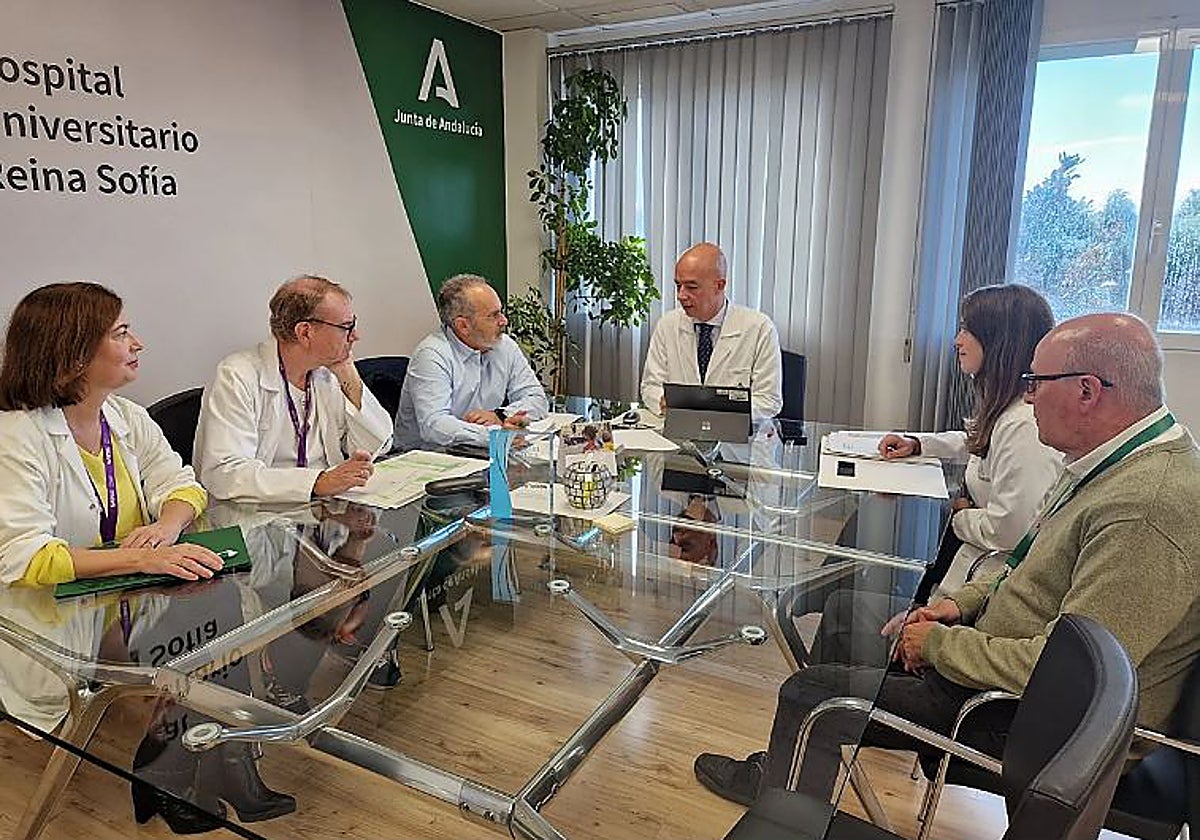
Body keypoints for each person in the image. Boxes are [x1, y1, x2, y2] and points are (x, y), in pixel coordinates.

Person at [694, 312, 1200, 807]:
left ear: (1087, 392)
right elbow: (1029, 566)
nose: (1029, 397)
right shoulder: (1107, 461)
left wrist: (940, 645)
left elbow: (1070, 677)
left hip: (1037, 723)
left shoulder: (1146, 510)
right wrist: (955, 606)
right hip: (1000, 660)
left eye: (1037, 383)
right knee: (846, 614)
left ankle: (788, 797)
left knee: (811, 696)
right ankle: (802, 777)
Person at [0, 283, 222, 586]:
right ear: (74, 355)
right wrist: (144, 559)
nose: (137, 343)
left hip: (127, 611)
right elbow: (25, 556)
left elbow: (181, 485)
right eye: (121, 334)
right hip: (51, 619)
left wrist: (166, 528)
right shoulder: (15, 437)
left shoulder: (126, 415)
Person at [879, 284, 1061, 598]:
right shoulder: (1010, 409)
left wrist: (960, 514)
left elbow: (1011, 530)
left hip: (988, 584)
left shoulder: (1025, 427)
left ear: (998, 341)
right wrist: (920, 444)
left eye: (966, 329)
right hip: (970, 561)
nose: (957, 341)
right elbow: (979, 441)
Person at [194, 275, 393, 503]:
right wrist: (317, 482)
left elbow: (378, 445)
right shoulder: (237, 376)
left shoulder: (325, 373)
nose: (355, 336)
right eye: (346, 327)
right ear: (305, 332)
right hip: (259, 516)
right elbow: (226, 475)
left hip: (320, 513)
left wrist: (348, 373)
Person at [393, 273, 549, 451]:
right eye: (493, 315)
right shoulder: (432, 355)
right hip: (426, 459)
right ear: (463, 326)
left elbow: (536, 398)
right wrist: (495, 435)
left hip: (478, 453)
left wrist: (501, 415)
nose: (504, 321)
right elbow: (434, 426)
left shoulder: (504, 345)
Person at [640, 242, 782, 421]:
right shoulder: (667, 325)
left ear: (719, 285)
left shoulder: (759, 328)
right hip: (679, 433)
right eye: (678, 286)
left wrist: (717, 412)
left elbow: (769, 400)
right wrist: (661, 400)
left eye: (691, 287)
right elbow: (650, 385)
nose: (681, 295)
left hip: (738, 439)